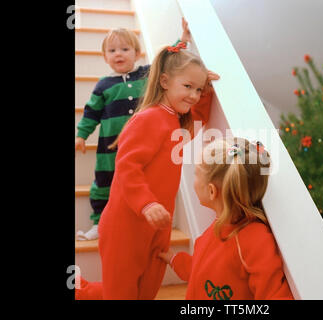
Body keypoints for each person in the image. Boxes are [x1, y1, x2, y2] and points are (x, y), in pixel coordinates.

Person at [95, 35, 220, 299]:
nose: (194, 95)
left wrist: (206, 89)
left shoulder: (175, 121)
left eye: (197, 90)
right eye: (188, 86)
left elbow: (199, 119)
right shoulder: (149, 118)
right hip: (127, 223)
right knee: (121, 293)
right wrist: (146, 204)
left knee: (147, 290)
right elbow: (128, 167)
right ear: (164, 81)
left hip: (157, 223)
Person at [75, 21, 191, 241]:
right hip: (110, 147)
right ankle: (99, 222)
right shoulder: (103, 85)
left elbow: (165, 59)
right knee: (104, 181)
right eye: (112, 51)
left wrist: (182, 40)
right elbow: (91, 112)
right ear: (105, 57)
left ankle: (144, 217)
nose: (118, 54)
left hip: (143, 144)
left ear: (137, 53)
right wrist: (81, 135)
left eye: (125, 49)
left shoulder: (147, 75)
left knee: (143, 178)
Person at [158, 138, 294, 300]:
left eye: (196, 174)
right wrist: (174, 259)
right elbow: (204, 272)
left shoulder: (255, 239)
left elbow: (273, 295)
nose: (193, 180)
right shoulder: (220, 226)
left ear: (211, 191)